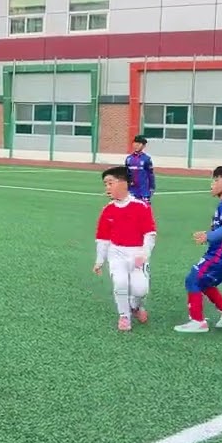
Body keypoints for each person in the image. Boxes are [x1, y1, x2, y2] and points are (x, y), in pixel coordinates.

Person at [175, 165, 222, 333]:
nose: (212, 184)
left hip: (220, 256)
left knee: (193, 279)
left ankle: (197, 321)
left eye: (216, 180)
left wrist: (209, 236)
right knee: (205, 282)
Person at [93, 166, 157, 331]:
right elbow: (102, 238)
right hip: (116, 253)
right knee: (120, 284)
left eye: (110, 183)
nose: (107, 187)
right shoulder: (107, 210)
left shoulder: (141, 207)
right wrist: (99, 260)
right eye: (105, 184)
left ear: (124, 183)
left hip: (137, 254)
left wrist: (144, 253)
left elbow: (150, 234)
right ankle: (124, 316)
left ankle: (135, 306)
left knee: (140, 289)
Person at [125, 135, 156, 202]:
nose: (137, 145)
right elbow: (126, 173)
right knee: (131, 210)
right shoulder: (129, 159)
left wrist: (152, 188)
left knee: (145, 210)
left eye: (139, 144)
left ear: (144, 146)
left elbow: (150, 174)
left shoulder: (146, 159)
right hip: (131, 190)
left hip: (143, 191)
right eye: (135, 143)